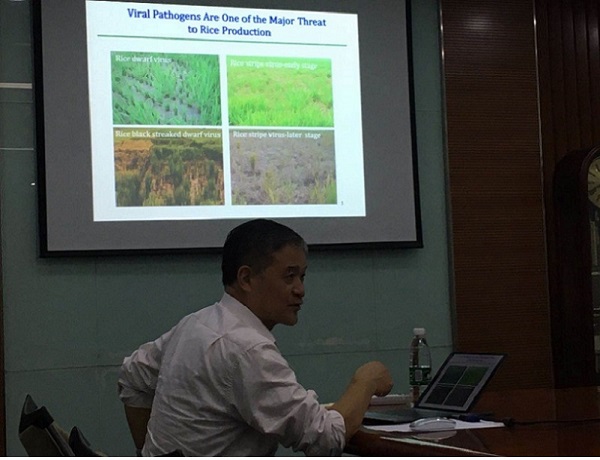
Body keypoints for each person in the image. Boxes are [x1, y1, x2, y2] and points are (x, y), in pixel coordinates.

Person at [118, 218, 393, 456]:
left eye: (302, 277)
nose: (300, 290)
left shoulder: (196, 323)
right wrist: (366, 380)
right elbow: (327, 438)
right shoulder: (247, 349)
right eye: (289, 277)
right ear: (246, 279)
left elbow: (133, 375)